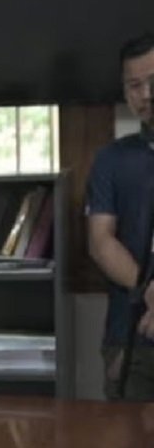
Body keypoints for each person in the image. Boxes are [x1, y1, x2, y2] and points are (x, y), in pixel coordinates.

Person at [87, 32, 154, 400]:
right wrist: (150, 291)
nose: (146, 94)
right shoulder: (110, 160)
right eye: (134, 85)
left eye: (153, 81)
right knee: (125, 435)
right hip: (130, 338)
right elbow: (101, 242)